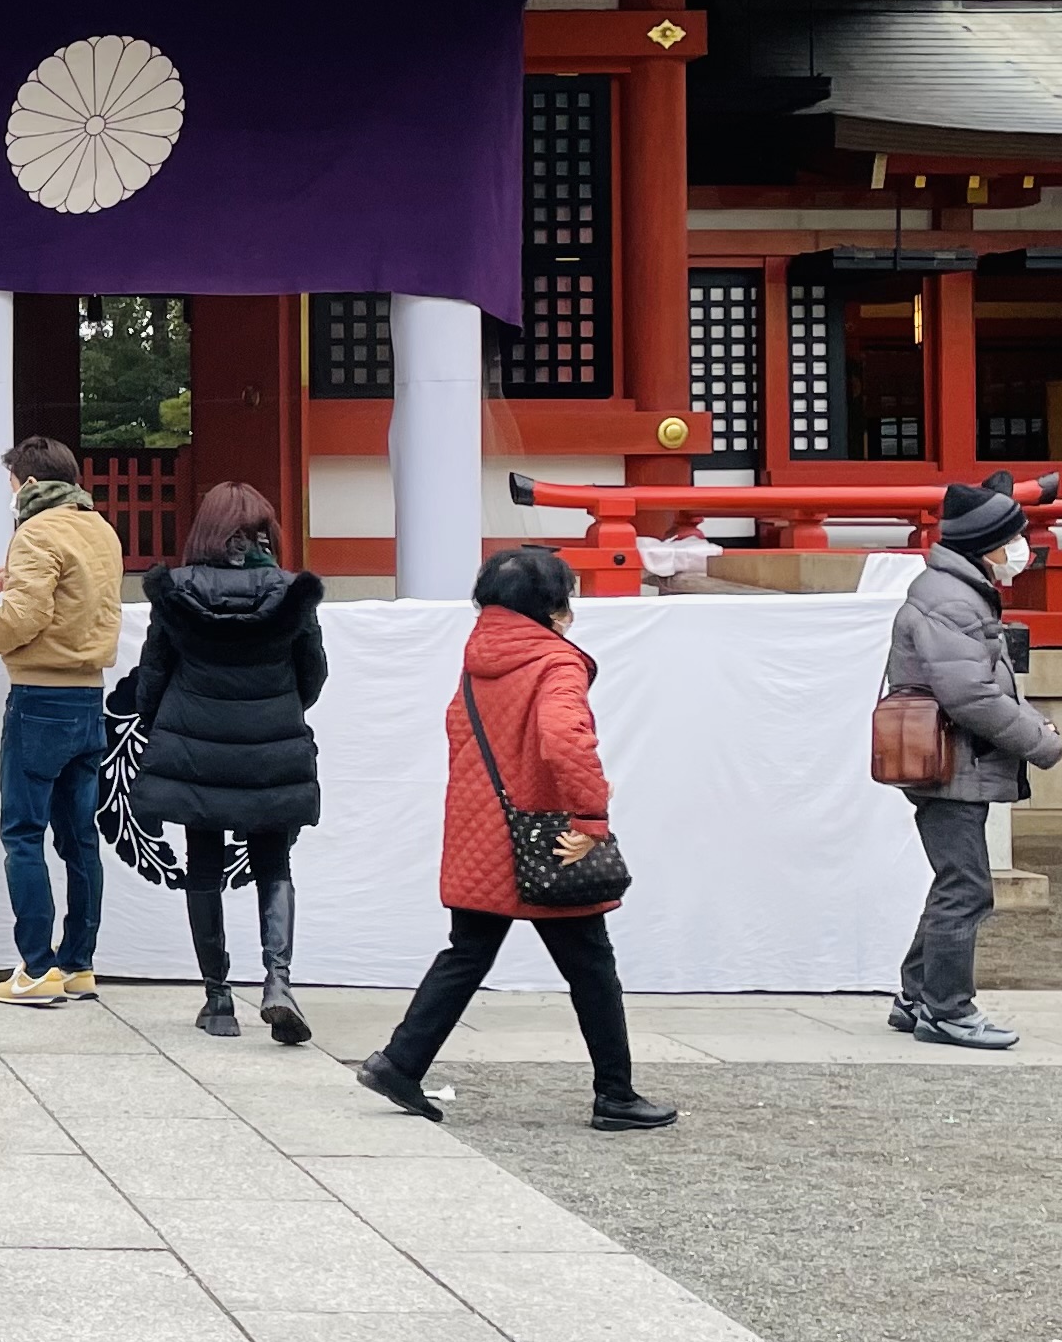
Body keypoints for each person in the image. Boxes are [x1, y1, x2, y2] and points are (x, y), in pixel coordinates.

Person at [357, 543, 678, 1132]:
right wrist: (590, 819)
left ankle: (400, 1063)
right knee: (591, 965)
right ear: (549, 607)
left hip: (484, 836)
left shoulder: (478, 659)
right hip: (544, 842)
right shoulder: (555, 662)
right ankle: (616, 1095)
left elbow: (461, 735)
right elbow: (564, 739)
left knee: (467, 954)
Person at [124, 478, 327, 1043]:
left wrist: (166, 722)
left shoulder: (177, 592)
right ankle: (278, 983)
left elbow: (153, 678)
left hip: (195, 749)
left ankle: (217, 1001)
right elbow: (312, 677)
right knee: (273, 864)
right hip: (271, 748)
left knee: (204, 864)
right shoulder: (290, 592)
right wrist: (277, 710)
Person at [880, 478, 1062, 1053]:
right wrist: (1041, 741)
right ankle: (948, 1010)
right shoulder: (951, 600)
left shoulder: (956, 592)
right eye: (1014, 537)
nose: (1023, 547)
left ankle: (917, 995)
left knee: (956, 883)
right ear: (986, 544)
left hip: (953, 758)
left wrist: (1033, 727)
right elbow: (973, 698)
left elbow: (984, 686)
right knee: (966, 888)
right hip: (952, 762)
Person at [0, 433, 128, 1010]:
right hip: (88, 700)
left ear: (26, 484)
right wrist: (15, 574)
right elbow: (76, 594)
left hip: (38, 698)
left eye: (10, 484)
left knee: (23, 836)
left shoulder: (35, 531)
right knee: (80, 838)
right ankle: (78, 964)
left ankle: (35, 968)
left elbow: (27, 616)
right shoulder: (100, 529)